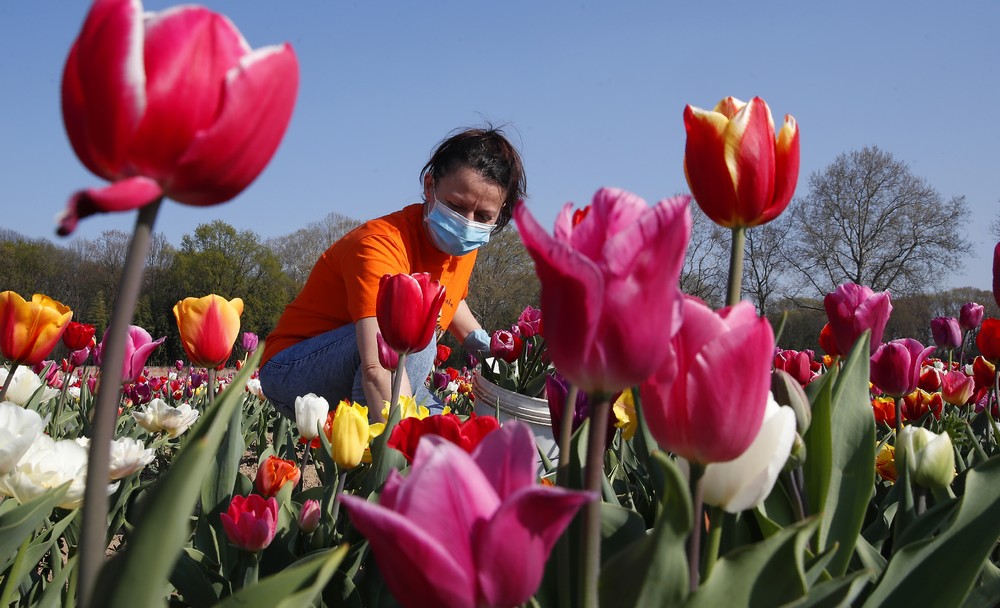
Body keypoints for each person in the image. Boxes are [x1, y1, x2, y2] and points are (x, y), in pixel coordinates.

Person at [259, 126, 526, 420]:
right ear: (429, 186)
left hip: (386, 367)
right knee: (412, 337)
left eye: (484, 216)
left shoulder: (463, 250)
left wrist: (486, 347)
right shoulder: (380, 244)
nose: (467, 222)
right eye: (456, 205)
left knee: (450, 432)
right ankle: (369, 460)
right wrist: (393, 448)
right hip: (294, 371)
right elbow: (377, 368)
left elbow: (452, 298)